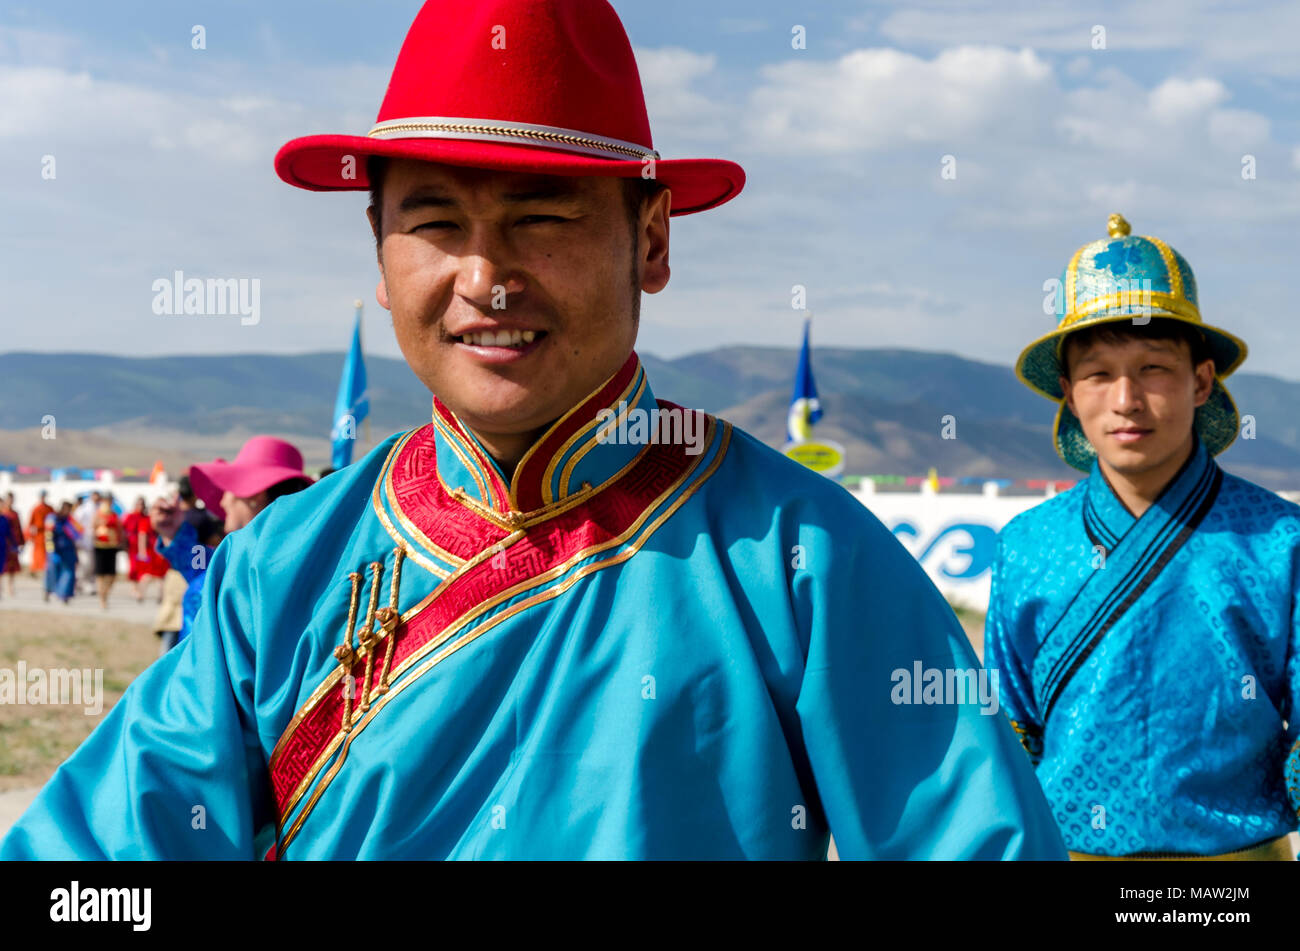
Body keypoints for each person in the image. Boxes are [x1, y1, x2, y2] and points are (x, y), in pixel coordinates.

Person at [1, 0, 1065, 861]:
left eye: (542, 217)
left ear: (649, 242)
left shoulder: (805, 558)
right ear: (379, 254)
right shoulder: (276, 571)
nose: (484, 277)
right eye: (433, 223)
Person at [984, 214, 1300, 860]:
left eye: (1153, 367)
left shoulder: (1280, 541)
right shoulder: (1024, 547)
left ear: (1202, 381)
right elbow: (1006, 737)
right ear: (1069, 395)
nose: (1126, 399)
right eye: (1098, 374)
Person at [150, 436, 312, 649]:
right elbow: (198, 568)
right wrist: (173, 531)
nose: (222, 500)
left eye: (229, 488)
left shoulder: (274, 569)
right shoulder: (237, 557)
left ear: (256, 494)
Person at [123, 496, 168, 602]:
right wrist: (142, 552)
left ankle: (158, 595)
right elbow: (142, 536)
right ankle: (141, 593)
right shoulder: (146, 521)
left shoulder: (160, 521)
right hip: (151, 551)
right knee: (148, 575)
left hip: (158, 551)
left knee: (158, 575)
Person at [42, 501, 80, 604]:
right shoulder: (52, 518)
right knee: (52, 572)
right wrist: (51, 551)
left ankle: (65, 595)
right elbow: (48, 536)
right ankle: (48, 591)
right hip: (55, 551)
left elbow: (76, 536)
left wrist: (76, 553)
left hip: (68, 550)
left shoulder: (69, 521)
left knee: (69, 573)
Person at [92, 498, 123, 610]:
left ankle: (105, 593)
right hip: (100, 546)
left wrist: (121, 542)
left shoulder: (114, 516)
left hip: (112, 546)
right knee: (100, 574)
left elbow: (119, 529)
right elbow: (93, 527)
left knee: (112, 575)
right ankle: (102, 599)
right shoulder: (98, 514)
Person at [73, 491, 100, 595]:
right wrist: (78, 539)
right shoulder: (84, 509)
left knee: (92, 565)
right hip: (84, 541)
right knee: (85, 563)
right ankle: (81, 583)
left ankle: (87, 584)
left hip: (95, 541)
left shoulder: (99, 508)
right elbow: (75, 523)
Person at [25, 490, 53, 579]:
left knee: (47, 551)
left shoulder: (49, 508)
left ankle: (46, 570)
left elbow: (53, 519)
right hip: (39, 534)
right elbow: (30, 523)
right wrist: (29, 535)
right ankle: (34, 570)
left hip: (48, 533)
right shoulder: (36, 508)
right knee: (37, 553)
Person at [0, 493, 22, 595]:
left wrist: (17, 543)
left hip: (7, 546)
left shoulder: (10, 516)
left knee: (10, 567)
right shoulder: (4, 515)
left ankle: (10, 588)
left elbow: (12, 532)